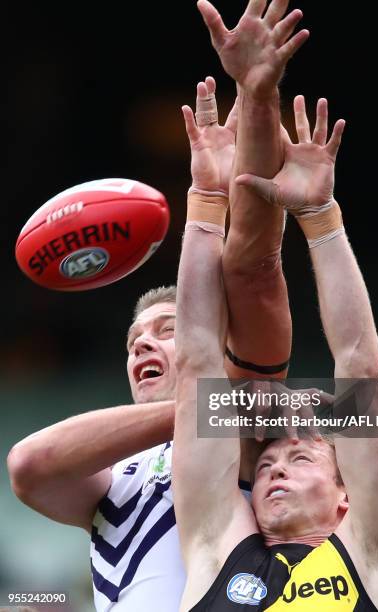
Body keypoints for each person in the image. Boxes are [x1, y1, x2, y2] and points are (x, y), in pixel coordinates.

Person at [7, 0, 308, 607]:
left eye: (167, 329)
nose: (143, 343)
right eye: (133, 341)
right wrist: (207, 408)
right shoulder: (118, 476)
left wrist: (255, 98)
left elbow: (252, 264)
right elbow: (30, 466)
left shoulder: (251, 439)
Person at [172, 91, 378, 610]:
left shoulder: (372, 557)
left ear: (345, 497)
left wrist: (321, 216)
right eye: (264, 468)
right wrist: (206, 199)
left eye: (300, 458)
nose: (274, 470)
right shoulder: (215, 552)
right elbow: (196, 363)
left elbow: (359, 365)